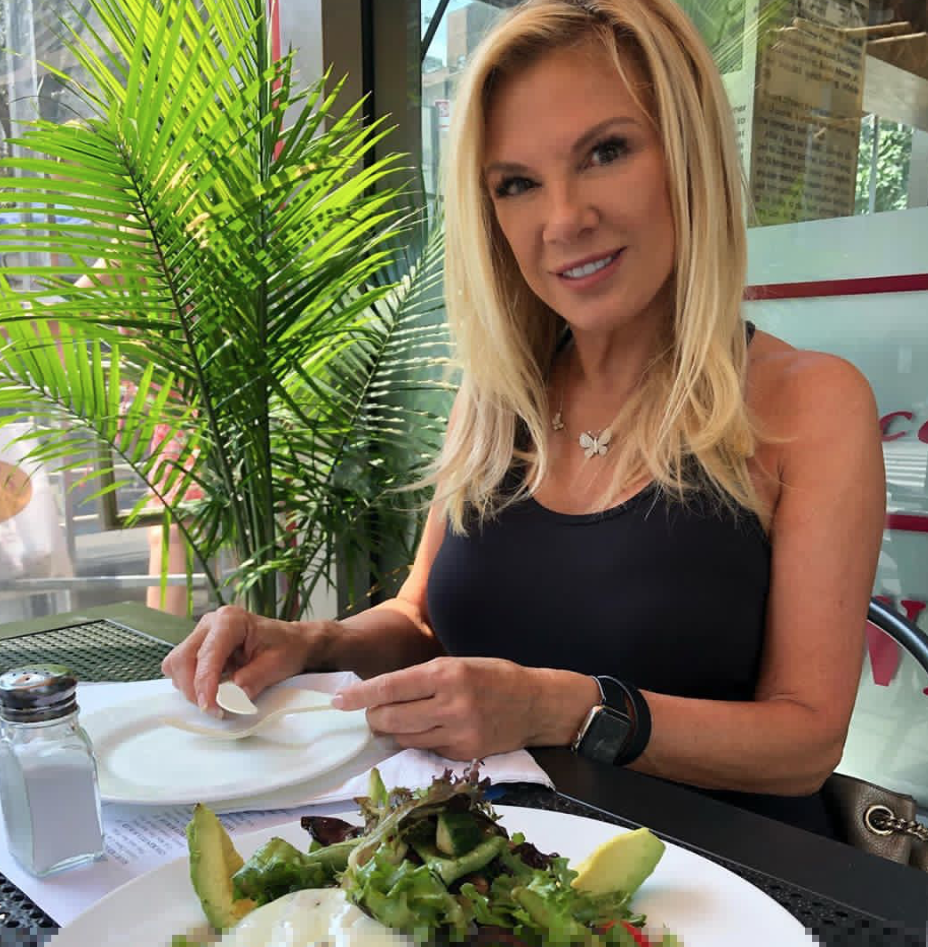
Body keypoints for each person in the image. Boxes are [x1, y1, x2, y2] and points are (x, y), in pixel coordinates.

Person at [163, 0, 884, 837]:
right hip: (500, 874)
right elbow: (422, 618)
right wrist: (306, 640)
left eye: (605, 152)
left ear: (688, 158)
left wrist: (562, 706)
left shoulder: (811, 400)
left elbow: (804, 740)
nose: (563, 219)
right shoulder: (499, 395)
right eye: (517, 183)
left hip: (728, 901)